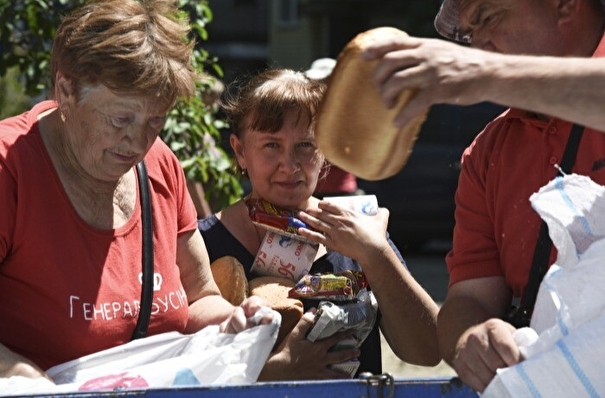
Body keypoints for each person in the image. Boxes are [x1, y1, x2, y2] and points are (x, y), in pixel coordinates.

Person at [0, 0, 269, 381]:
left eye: (155, 120)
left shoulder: (160, 165)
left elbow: (199, 299)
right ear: (66, 90)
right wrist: (25, 379)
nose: (138, 141)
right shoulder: (9, 169)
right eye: (121, 118)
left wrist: (236, 322)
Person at [362, 0, 605, 392]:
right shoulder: (487, 153)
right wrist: (470, 339)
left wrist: (487, 75)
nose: (478, 48)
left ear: (565, 5)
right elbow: (467, 299)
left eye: (490, 17)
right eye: (470, 36)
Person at [198, 68, 440, 381]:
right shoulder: (203, 242)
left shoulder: (358, 229)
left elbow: (428, 352)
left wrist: (376, 254)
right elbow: (188, 369)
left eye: (306, 145)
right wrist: (277, 371)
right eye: (271, 145)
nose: (290, 165)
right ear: (241, 151)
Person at [304, 58, 361, 198]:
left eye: (327, 80)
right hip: (310, 191)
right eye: (317, 81)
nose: (322, 85)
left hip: (341, 191)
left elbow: (352, 153)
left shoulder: (349, 112)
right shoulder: (305, 111)